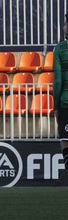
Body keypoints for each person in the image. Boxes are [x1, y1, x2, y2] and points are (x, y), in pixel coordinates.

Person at [53, 13, 68, 171]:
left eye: (65, 24)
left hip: (65, 103)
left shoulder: (60, 48)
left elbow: (57, 82)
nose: (63, 27)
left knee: (65, 141)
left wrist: (55, 107)